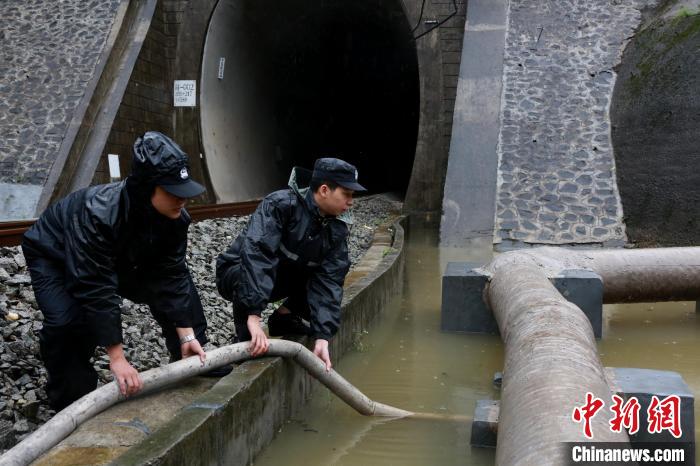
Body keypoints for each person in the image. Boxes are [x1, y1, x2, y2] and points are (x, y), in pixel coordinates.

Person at [22, 131, 224, 411]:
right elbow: (96, 286)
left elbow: (171, 274)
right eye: (172, 192)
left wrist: (187, 336)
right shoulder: (99, 214)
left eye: (184, 191)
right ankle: (69, 400)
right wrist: (117, 358)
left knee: (182, 287)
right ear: (146, 188)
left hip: (121, 254)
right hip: (54, 253)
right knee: (68, 322)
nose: (182, 200)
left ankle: (191, 354)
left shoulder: (175, 219)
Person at [216, 158, 366, 371]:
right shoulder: (281, 205)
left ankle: (284, 318)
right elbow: (258, 255)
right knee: (247, 270)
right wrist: (254, 315)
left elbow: (330, 280)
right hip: (238, 273)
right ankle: (244, 340)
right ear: (324, 190)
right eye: (347, 194)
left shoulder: (336, 229)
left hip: (282, 276)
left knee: (327, 272)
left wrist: (322, 337)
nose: (351, 202)